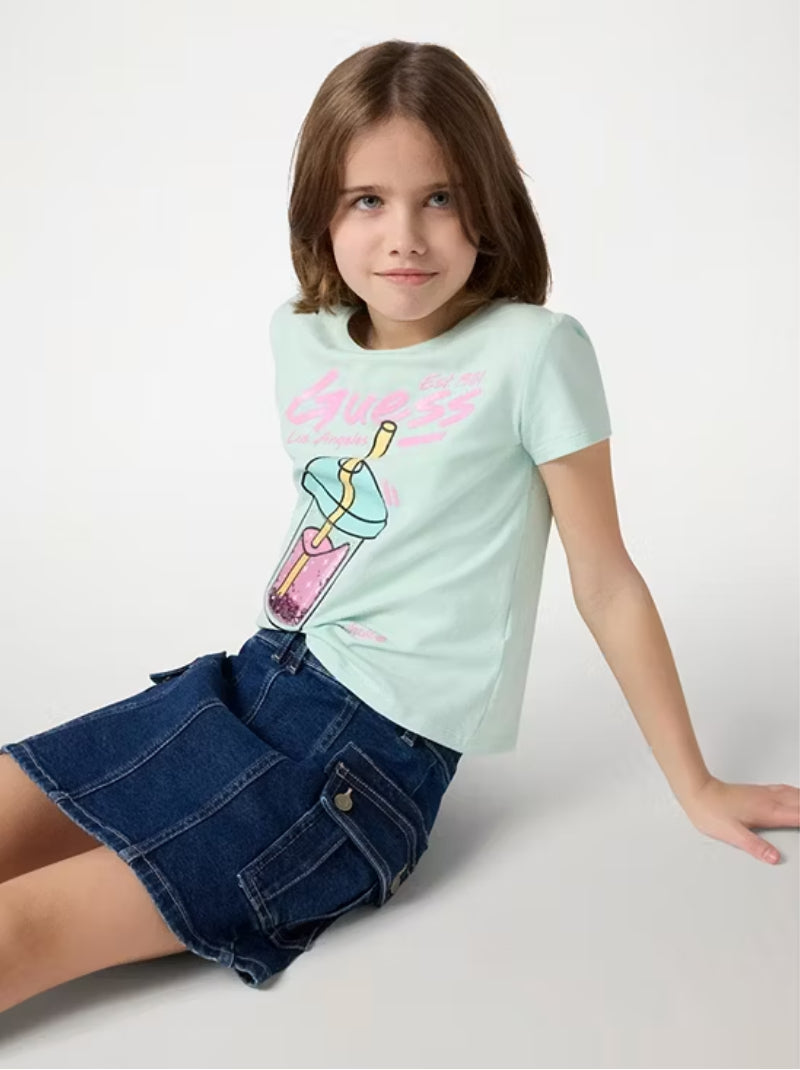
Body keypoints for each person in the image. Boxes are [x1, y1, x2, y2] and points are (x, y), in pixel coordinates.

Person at [0, 39, 797, 1014]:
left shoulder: (533, 353)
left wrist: (695, 783)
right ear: (320, 213)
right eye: (367, 200)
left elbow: (605, 579)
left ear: (488, 206)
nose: (404, 237)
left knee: (19, 928)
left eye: (440, 197)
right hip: (252, 676)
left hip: (363, 759)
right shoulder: (300, 335)